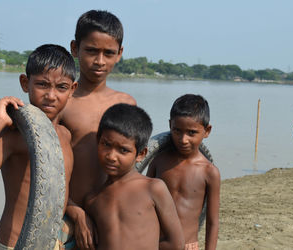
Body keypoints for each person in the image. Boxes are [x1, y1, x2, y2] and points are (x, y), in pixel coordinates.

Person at [0, 44, 78, 249]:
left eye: (61, 87)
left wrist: (78, 214)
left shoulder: (65, 136)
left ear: (72, 89)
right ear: (25, 83)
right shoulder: (14, 136)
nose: (51, 95)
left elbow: (56, 193)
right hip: (12, 244)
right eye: (42, 84)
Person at [60, 9, 136, 249]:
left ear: (120, 54)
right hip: (67, 214)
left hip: (112, 215)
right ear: (75, 48)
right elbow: (42, 169)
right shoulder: (61, 102)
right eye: (91, 50)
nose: (99, 61)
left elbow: (131, 167)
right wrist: (75, 212)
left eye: (108, 53)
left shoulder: (127, 104)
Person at [84, 103, 184, 250]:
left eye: (123, 150)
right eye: (106, 144)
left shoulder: (153, 188)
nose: (111, 156)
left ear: (141, 154)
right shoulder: (93, 199)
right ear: (98, 141)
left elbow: (176, 243)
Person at [147, 94, 220, 250]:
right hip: (155, 244)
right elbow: (145, 203)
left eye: (192, 133)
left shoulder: (209, 172)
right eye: (177, 131)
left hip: (187, 246)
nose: (183, 139)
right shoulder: (158, 161)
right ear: (170, 126)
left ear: (207, 131)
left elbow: (212, 222)